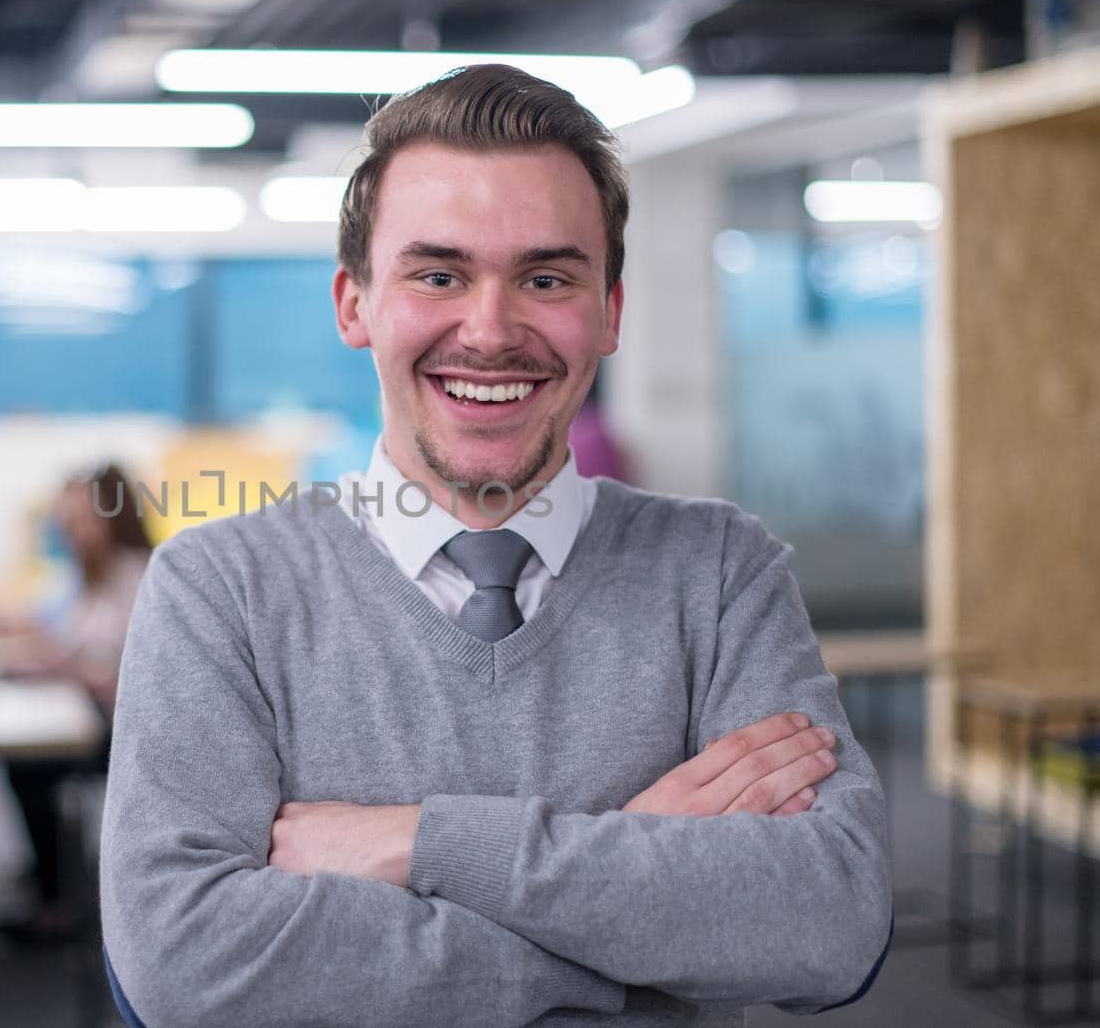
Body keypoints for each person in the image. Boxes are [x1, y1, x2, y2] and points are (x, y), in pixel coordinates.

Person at [100, 65, 892, 1026]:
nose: (490, 330)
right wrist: (632, 909)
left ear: (609, 312)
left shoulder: (720, 574)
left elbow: (830, 920)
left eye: (546, 278)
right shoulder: (219, 589)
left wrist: (425, 843)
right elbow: (185, 966)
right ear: (354, 305)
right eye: (438, 274)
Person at [0, 464, 151, 945]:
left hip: (127, 732)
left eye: (84, 518)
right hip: (90, 717)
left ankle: (58, 894)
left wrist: (64, 664)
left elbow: (122, 675)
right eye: (69, 518)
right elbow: (64, 633)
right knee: (22, 757)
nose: (73, 529)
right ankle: (52, 872)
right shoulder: (88, 575)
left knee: (28, 764)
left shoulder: (139, 576)